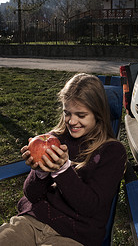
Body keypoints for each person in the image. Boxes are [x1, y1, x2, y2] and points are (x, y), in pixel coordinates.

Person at [0, 73, 127, 246]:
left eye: (81, 115)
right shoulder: (54, 139)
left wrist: (62, 171)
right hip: (31, 222)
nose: (72, 121)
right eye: (67, 113)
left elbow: (90, 207)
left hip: (73, 236)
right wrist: (39, 172)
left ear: (98, 114)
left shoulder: (112, 152)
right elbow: (32, 195)